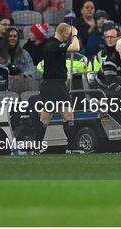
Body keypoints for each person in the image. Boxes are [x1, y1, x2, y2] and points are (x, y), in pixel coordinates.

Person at [35, 22, 82, 154]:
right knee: (46, 117)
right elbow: (76, 47)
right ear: (65, 34)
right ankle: (37, 147)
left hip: (57, 85)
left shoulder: (54, 44)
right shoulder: (53, 45)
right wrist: (75, 34)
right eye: (68, 35)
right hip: (52, 85)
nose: (69, 37)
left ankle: (71, 147)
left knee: (67, 114)